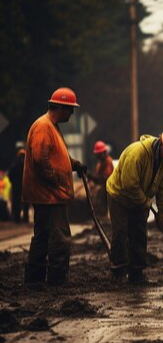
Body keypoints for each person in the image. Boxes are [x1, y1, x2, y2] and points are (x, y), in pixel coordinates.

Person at [22, 87, 87, 285]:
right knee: (59, 237)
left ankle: (35, 279)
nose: (72, 113)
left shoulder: (51, 126)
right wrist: (57, 179)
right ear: (60, 107)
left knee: (42, 236)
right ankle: (58, 280)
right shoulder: (44, 126)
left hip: (48, 195)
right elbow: (40, 160)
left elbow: (56, 156)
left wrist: (73, 165)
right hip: (50, 195)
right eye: (70, 109)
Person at [106, 131, 163, 283]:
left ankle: (136, 271)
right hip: (119, 196)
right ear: (162, 144)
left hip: (141, 197)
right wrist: (145, 203)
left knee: (140, 233)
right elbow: (129, 185)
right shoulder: (137, 153)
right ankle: (118, 271)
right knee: (121, 231)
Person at [89, 141, 114, 216]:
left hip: (106, 190)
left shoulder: (108, 162)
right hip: (102, 188)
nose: (98, 156)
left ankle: (104, 217)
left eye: (99, 154)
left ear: (104, 152)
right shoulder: (100, 163)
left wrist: (92, 177)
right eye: (97, 154)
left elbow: (104, 179)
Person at [8, 148, 29, 223]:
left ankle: (17, 219)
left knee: (16, 202)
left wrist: (13, 182)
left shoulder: (15, 163)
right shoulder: (27, 164)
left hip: (16, 186)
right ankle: (25, 218)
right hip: (24, 186)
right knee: (25, 202)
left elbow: (10, 174)